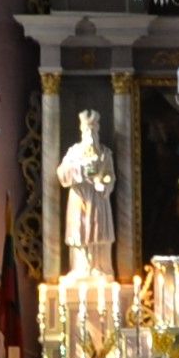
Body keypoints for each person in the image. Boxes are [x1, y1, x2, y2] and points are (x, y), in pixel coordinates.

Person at [57, 109, 116, 280]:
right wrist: (80, 170)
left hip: (98, 199)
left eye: (93, 130)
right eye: (87, 130)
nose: (90, 134)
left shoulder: (105, 153)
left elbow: (110, 176)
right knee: (79, 234)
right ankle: (80, 269)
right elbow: (62, 174)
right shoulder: (74, 152)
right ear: (82, 131)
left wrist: (102, 182)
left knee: (98, 233)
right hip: (79, 198)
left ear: (97, 131)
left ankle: (99, 267)